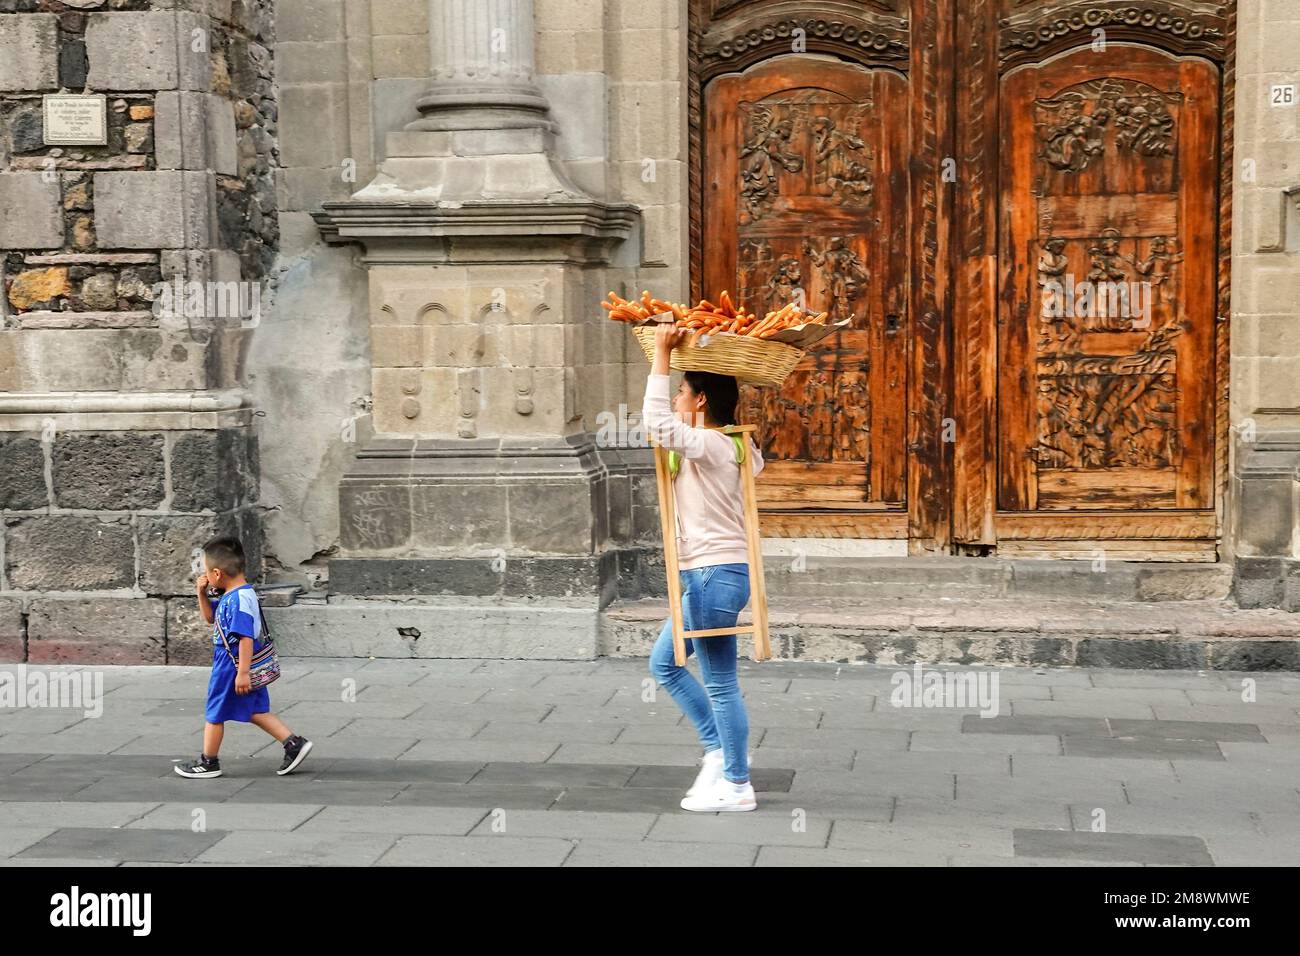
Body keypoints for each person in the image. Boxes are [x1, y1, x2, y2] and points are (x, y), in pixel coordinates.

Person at [642, 322, 765, 812]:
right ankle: (718, 753)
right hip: (703, 574)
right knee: (664, 665)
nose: (674, 399)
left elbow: (658, 426)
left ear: (700, 402)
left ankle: (737, 785)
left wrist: (661, 355)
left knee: (719, 681)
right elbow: (667, 432)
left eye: (680, 392)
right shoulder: (717, 447)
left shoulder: (716, 445)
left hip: (716, 573)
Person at [174, 536, 313, 779]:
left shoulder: (236, 600)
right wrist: (201, 593)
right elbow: (210, 618)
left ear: (217, 573)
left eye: (207, 571)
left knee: (214, 711)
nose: (205, 576)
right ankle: (294, 744)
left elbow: (245, 638)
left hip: (232, 663)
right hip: (239, 662)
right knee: (255, 710)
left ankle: (209, 762)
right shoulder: (237, 594)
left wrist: (242, 673)